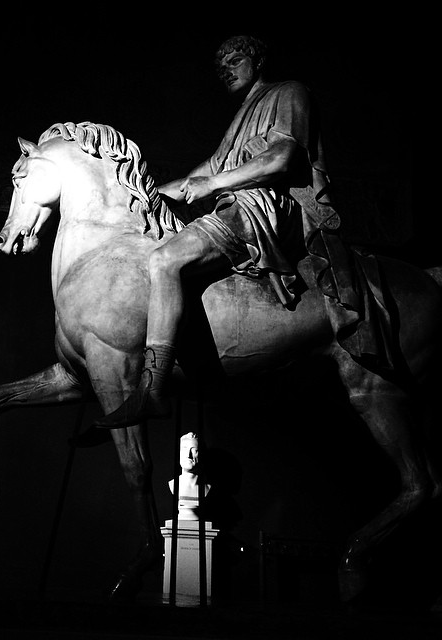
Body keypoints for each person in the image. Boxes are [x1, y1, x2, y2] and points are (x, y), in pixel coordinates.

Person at [95, 33, 371, 430]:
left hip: (262, 205)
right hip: (235, 201)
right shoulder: (243, 112)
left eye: (235, 60)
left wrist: (214, 185)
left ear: (258, 61)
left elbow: (282, 156)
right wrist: (146, 192)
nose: (225, 70)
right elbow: (209, 167)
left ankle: (152, 388)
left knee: (166, 258)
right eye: (220, 66)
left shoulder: (289, 92)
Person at [169, 432, 211, 521]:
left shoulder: (206, 488)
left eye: (194, 450)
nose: (188, 455)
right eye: (184, 449)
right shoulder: (173, 485)